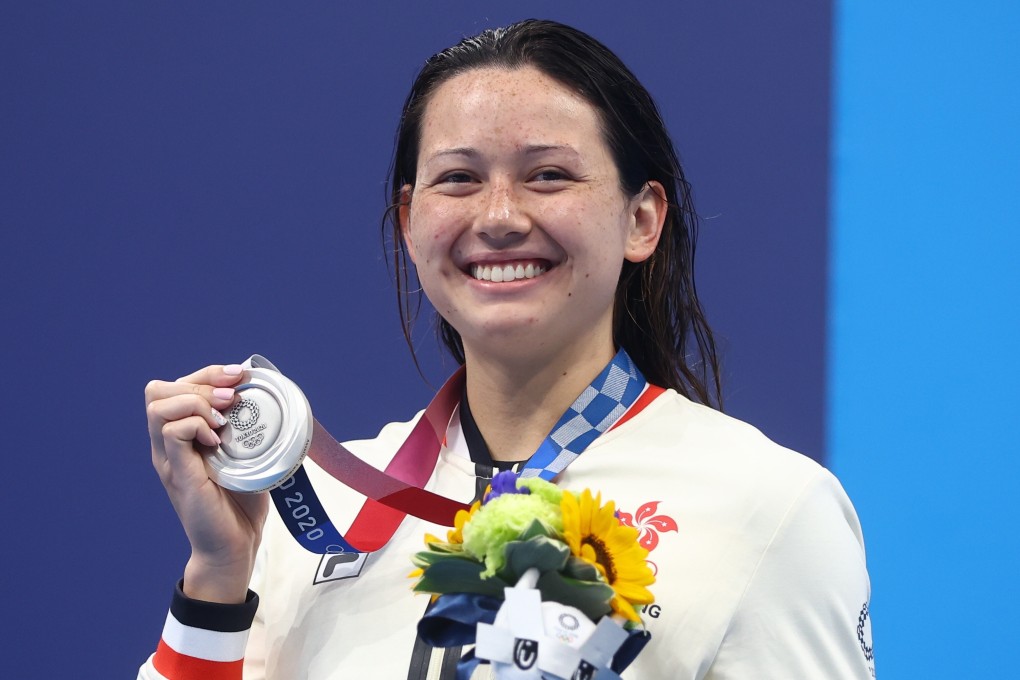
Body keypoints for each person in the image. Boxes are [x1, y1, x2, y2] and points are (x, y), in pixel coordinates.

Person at [138, 19, 874, 679]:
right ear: (408, 221)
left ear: (642, 220)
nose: (497, 217)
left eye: (547, 175)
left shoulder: (767, 506)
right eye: (457, 180)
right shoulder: (313, 513)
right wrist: (219, 572)